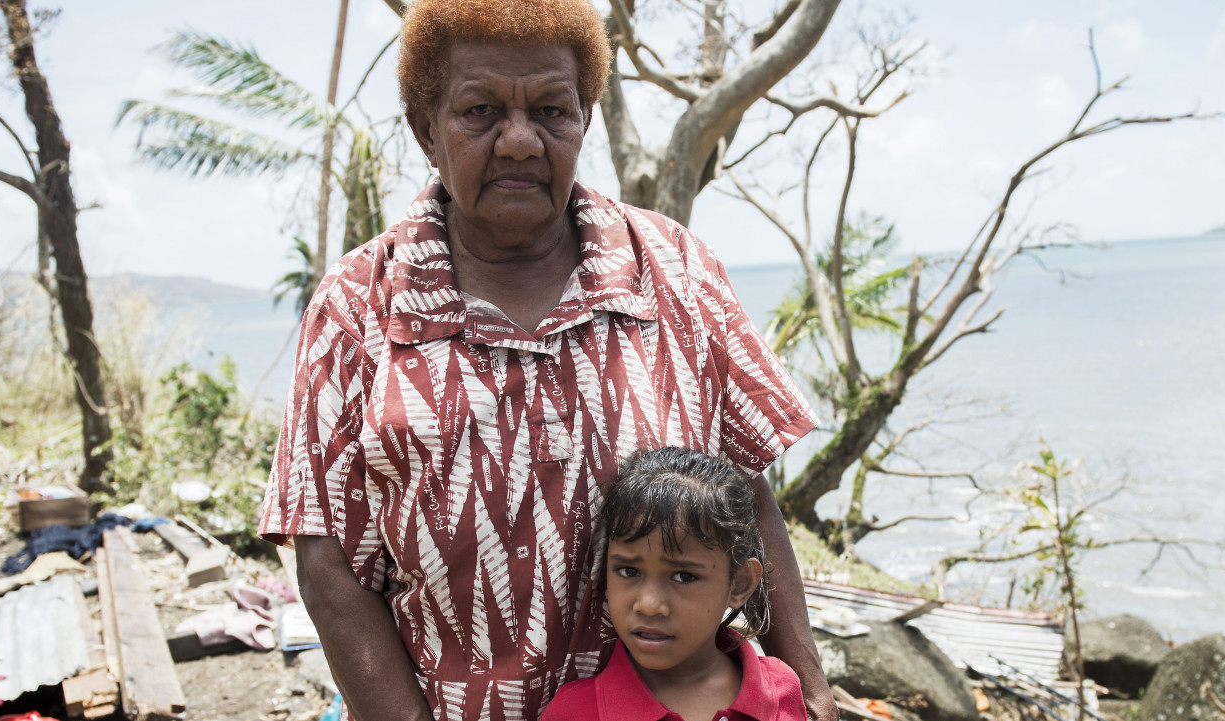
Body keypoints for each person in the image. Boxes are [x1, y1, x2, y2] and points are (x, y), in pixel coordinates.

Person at [257, 1, 837, 719]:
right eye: (480, 111)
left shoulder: (675, 269)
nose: (521, 141)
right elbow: (329, 565)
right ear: (424, 128)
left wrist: (808, 689)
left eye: (552, 111)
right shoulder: (357, 307)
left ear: (585, 118)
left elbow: (747, 497)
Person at [541, 447, 806, 721]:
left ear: (740, 584)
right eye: (629, 571)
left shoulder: (780, 691)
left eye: (684, 576)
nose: (649, 605)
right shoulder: (575, 713)